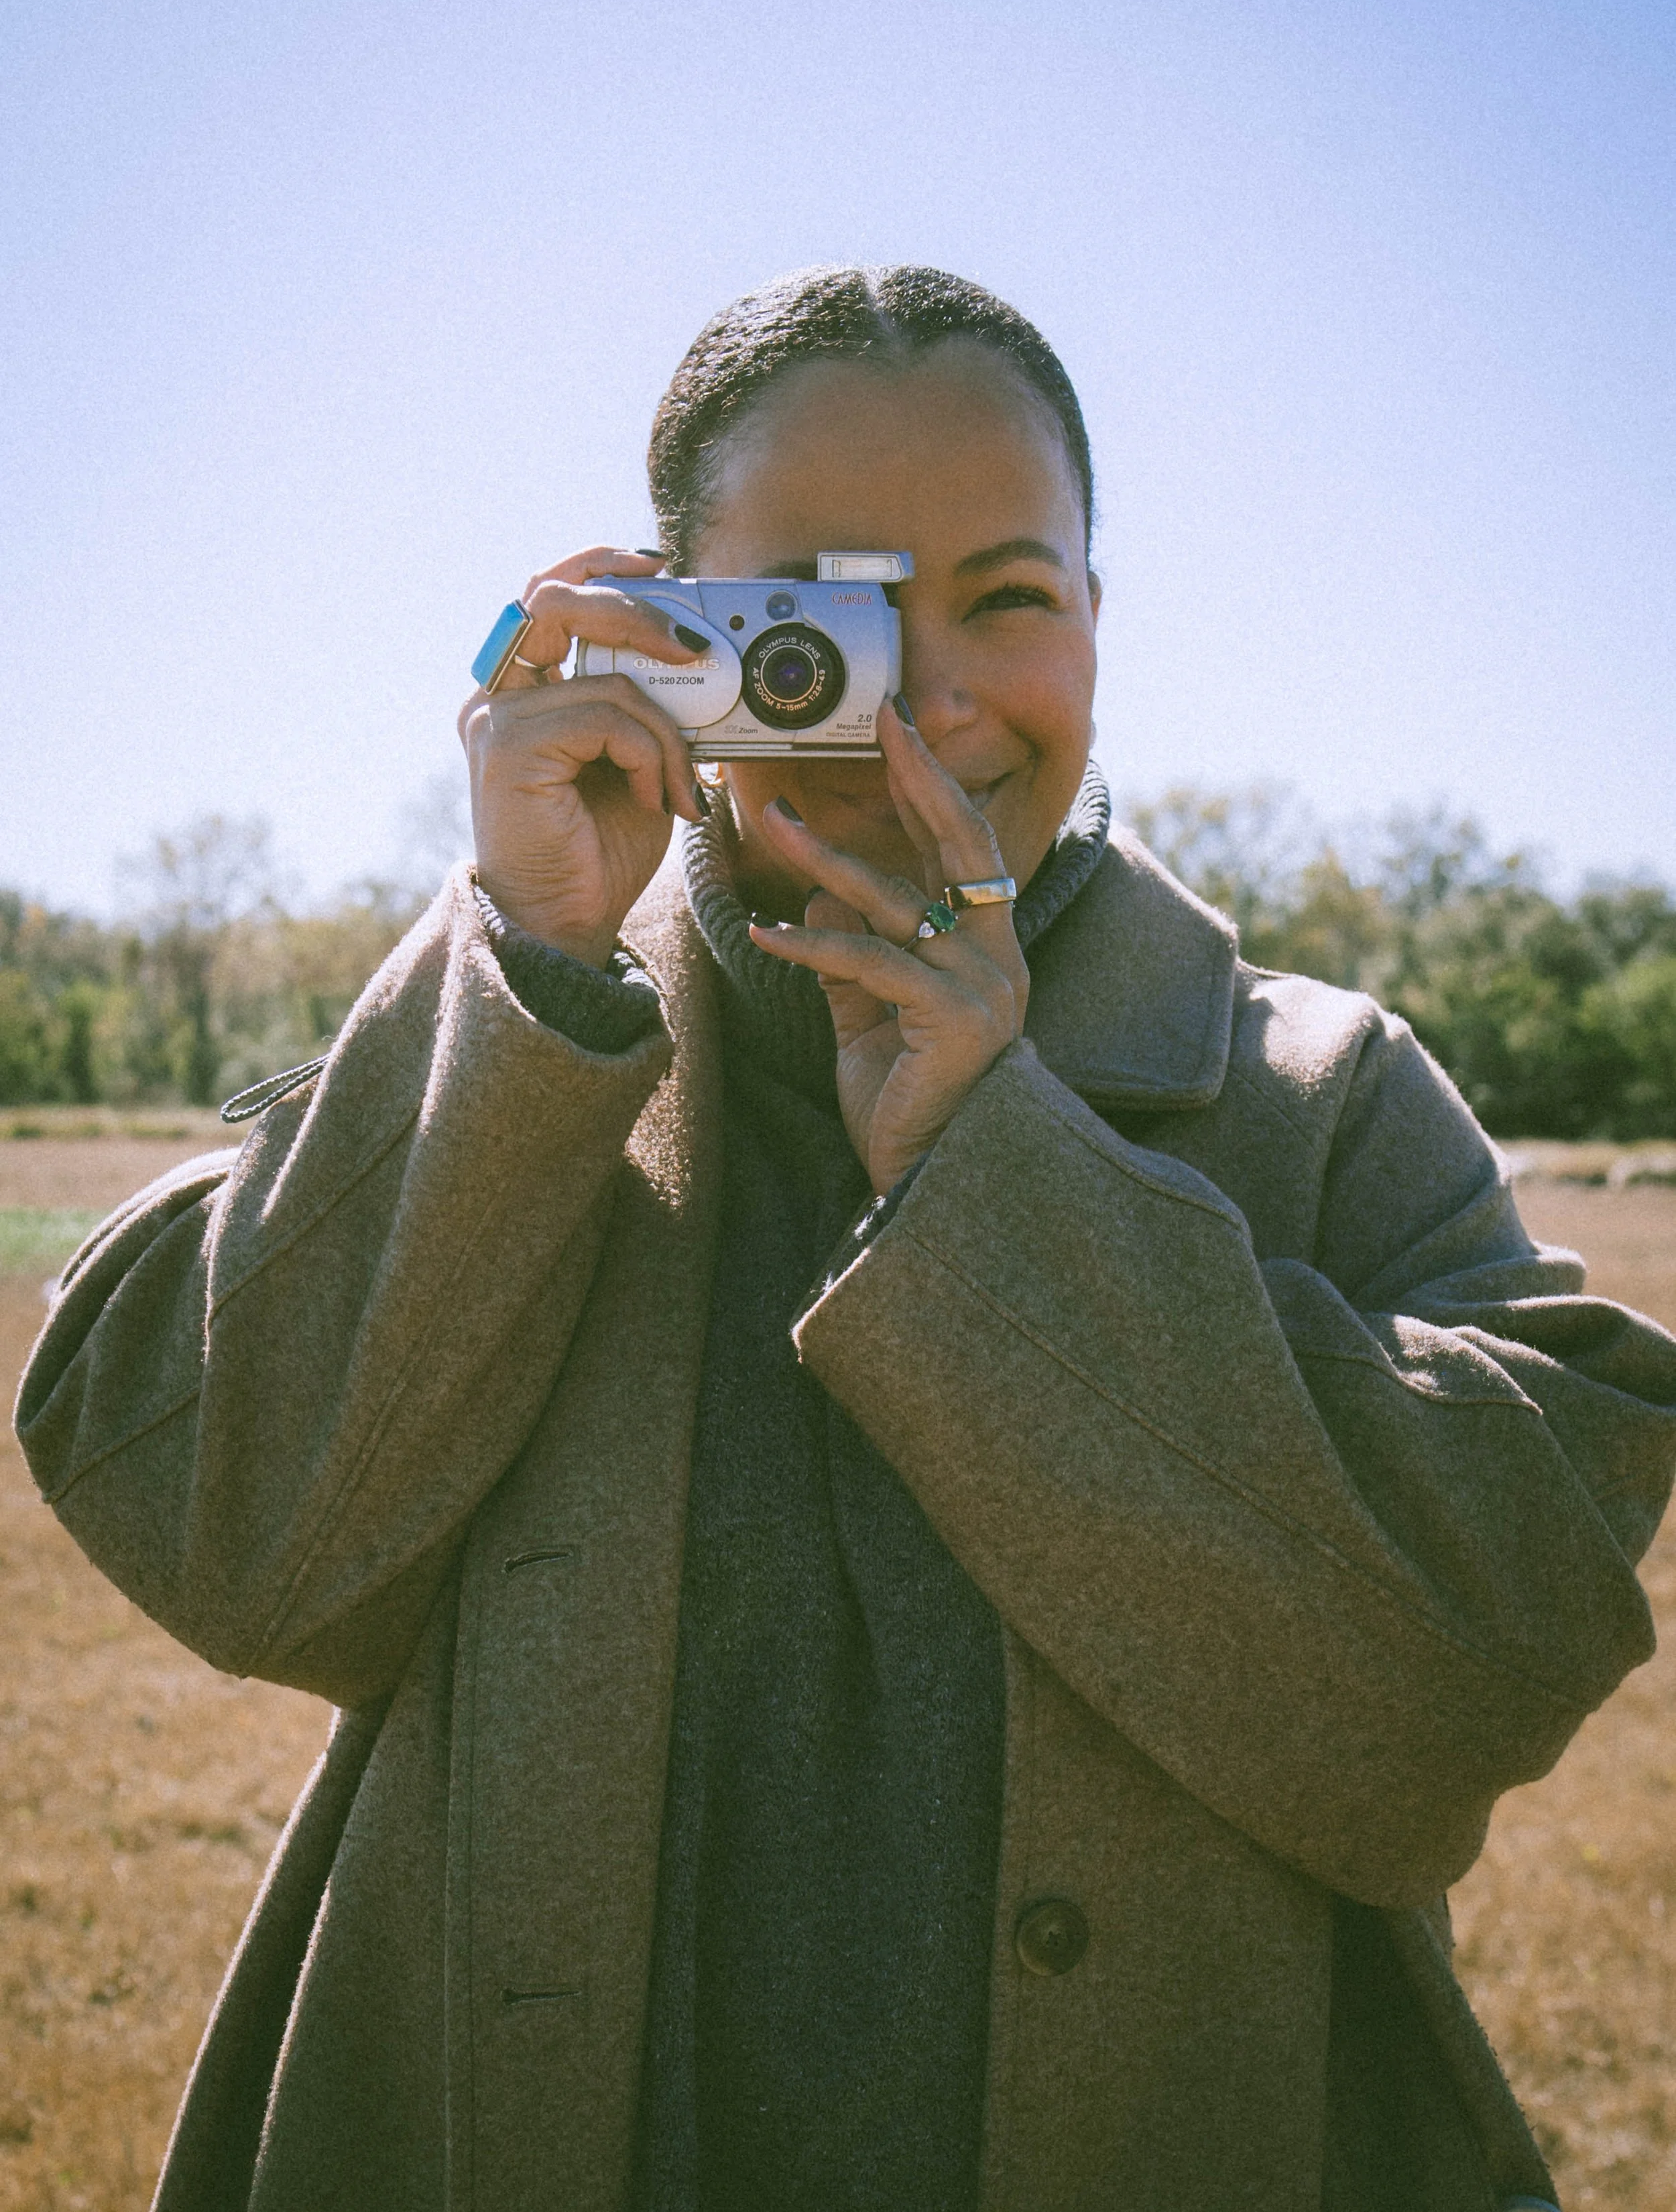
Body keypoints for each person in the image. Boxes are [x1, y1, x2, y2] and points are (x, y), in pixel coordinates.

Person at [15, 266, 1676, 2212]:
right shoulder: (514, 1041)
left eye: (1005, 597)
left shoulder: (1314, 1090)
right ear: (663, 628)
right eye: (825, 618)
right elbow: (236, 1539)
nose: (933, 696)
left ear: (1094, 620)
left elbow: (1474, 1674)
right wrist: (525, 957)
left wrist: (1006, 1180)